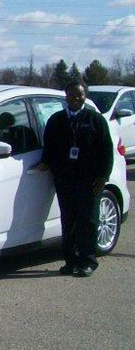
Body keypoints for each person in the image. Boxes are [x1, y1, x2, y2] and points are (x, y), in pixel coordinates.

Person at [36, 81, 114, 277]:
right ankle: (70, 261)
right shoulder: (57, 120)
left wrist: (103, 177)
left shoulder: (96, 120)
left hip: (89, 181)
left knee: (87, 221)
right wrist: (45, 164)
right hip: (65, 179)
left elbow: (107, 151)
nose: (75, 98)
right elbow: (49, 147)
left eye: (79, 95)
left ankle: (87, 261)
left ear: (85, 96)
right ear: (66, 96)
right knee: (68, 220)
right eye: (71, 94)